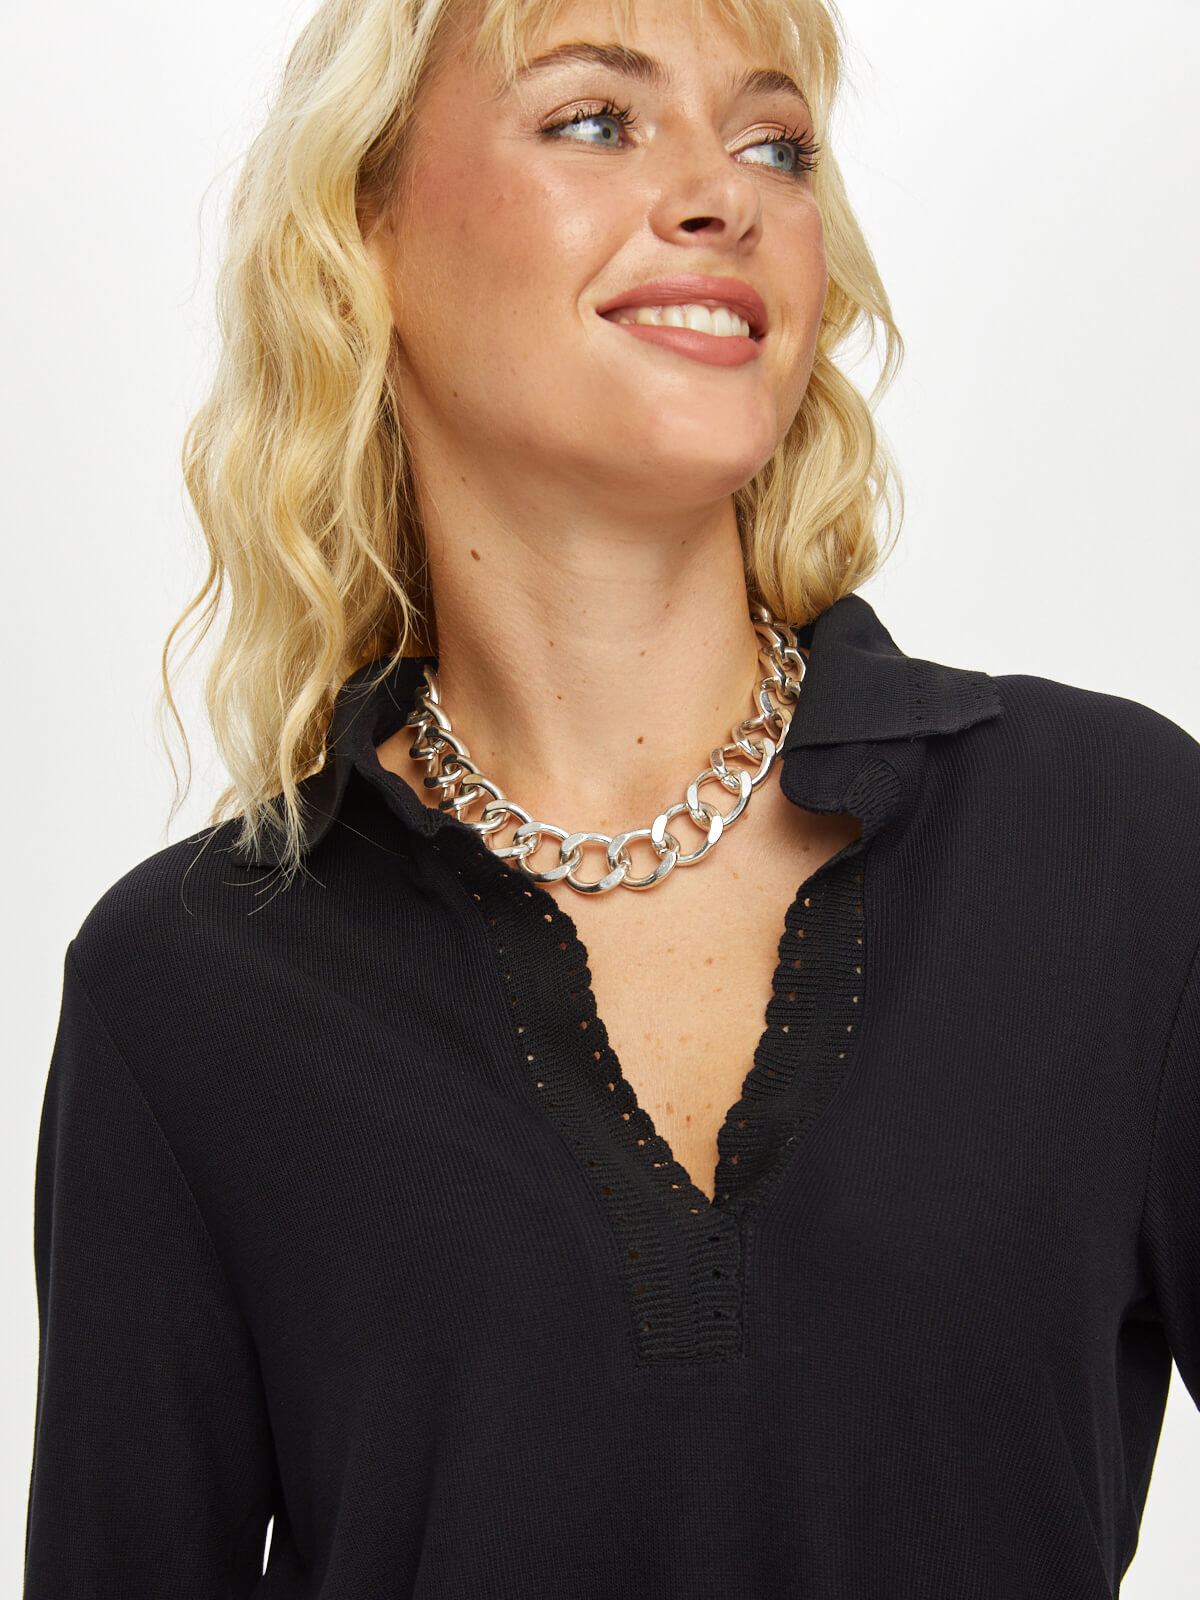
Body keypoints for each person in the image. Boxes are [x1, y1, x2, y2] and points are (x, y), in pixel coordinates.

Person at [22, 0, 1200, 1592]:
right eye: (594, 118)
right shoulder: (188, 991)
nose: (725, 194)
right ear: (363, 235)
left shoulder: (1113, 844)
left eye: (776, 145)